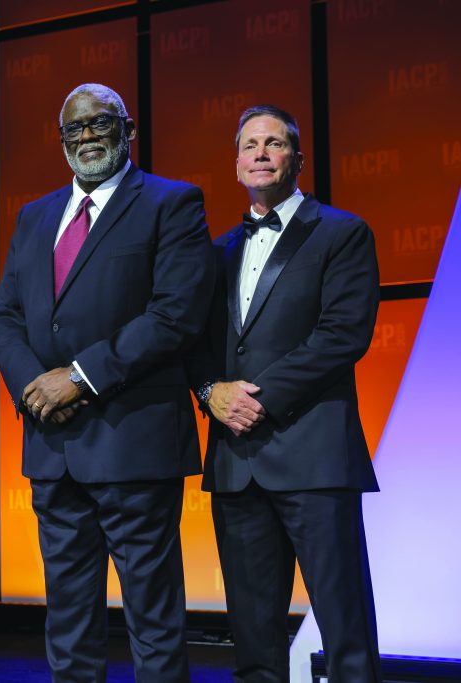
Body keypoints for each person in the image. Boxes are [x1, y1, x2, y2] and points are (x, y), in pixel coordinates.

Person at [0, 83, 214, 681]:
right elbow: (5, 315)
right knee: (67, 618)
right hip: (52, 447)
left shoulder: (172, 203)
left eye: (99, 123)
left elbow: (175, 315)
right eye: (74, 128)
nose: (86, 136)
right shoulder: (34, 216)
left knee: (153, 616)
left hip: (133, 443)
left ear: (128, 129)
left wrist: (80, 379)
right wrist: (36, 387)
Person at [187, 104, 381, 681]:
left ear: (297, 158)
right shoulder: (214, 252)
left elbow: (342, 334)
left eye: (275, 143)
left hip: (314, 456)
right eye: (250, 145)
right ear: (237, 164)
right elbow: (192, 343)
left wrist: (257, 397)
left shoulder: (342, 232)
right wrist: (208, 390)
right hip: (236, 464)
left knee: (344, 623)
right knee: (252, 634)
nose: (262, 153)